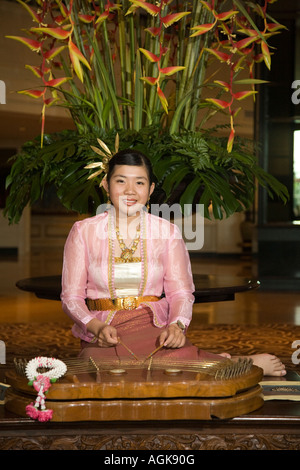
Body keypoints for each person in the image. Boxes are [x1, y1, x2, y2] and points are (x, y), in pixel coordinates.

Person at [61, 146, 286, 377]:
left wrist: (177, 326)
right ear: (107, 186)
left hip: (151, 324)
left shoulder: (166, 232)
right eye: (121, 181)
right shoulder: (83, 231)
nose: (130, 190)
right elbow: (71, 297)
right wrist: (95, 327)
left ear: (150, 190)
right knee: (100, 365)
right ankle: (218, 363)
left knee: (175, 362)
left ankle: (238, 363)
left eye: (139, 183)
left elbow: (181, 292)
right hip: (103, 328)